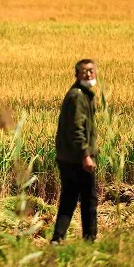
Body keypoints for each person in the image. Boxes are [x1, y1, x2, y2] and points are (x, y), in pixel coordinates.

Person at [51, 58, 98, 244]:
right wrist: (86, 155)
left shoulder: (82, 94)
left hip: (69, 156)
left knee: (70, 198)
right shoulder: (78, 96)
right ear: (77, 75)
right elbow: (76, 129)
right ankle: (89, 239)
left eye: (91, 71)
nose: (88, 74)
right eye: (84, 71)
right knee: (89, 198)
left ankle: (58, 238)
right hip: (76, 158)